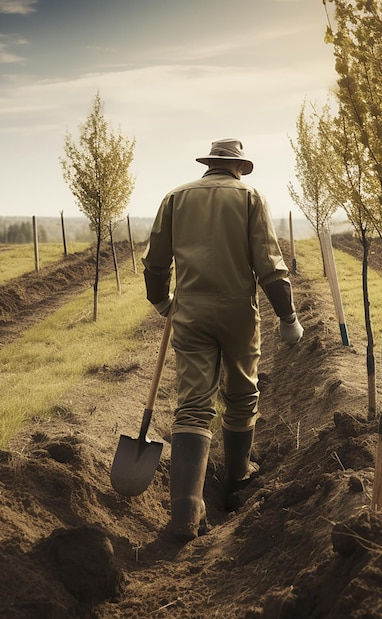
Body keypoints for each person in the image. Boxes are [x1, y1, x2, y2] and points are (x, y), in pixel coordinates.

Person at [142, 138, 303, 541]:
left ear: (210, 164)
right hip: (237, 311)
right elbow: (269, 263)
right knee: (242, 393)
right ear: (237, 167)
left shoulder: (176, 197)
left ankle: (185, 511)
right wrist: (288, 316)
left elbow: (155, 261)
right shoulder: (249, 197)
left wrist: (163, 302)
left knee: (193, 404)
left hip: (190, 311)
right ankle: (237, 480)